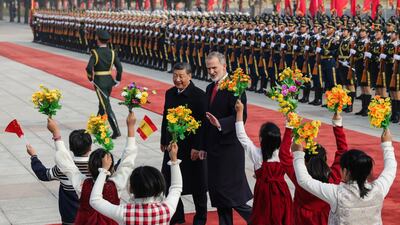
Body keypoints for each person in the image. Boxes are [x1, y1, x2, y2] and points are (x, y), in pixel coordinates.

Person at [292, 129, 397, 224]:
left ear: (345, 171)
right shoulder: (379, 189)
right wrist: (387, 145)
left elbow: (304, 180)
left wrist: (298, 154)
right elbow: (391, 168)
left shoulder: (337, 194)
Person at [51, 112, 138, 224]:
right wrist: (131, 127)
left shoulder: (83, 185)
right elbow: (127, 161)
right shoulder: (116, 185)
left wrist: (56, 134)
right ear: (111, 169)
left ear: (88, 167)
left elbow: (67, 164)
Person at [204, 51, 253, 225]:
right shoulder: (210, 88)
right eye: (209, 68)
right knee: (219, 195)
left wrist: (220, 124)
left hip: (229, 149)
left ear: (224, 66)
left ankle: (259, 219)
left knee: (232, 195)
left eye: (214, 68)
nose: (211, 71)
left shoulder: (236, 87)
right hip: (214, 149)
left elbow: (241, 116)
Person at [279, 112, 349, 225]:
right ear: (325, 159)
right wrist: (337, 125)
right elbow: (342, 151)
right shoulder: (333, 176)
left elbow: (284, 155)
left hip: (301, 219)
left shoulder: (299, 177)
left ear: (305, 160)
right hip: (325, 218)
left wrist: (289, 128)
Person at [160, 62, 208, 225]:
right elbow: (166, 118)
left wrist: (198, 146)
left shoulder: (199, 96)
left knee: (198, 185)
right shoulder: (170, 93)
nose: (177, 79)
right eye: (175, 75)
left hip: (191, 148)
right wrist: (163, 140)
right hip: (173, 147)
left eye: (181, 76)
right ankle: (177, 215)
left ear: (190, 76)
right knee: (168, 181)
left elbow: (203, 125)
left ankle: (200, 218)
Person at [89, 142, 183, 225]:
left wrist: (104, 170)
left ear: (131, 188)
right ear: (159, 186)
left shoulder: (124, 213)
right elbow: (176, 187)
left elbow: (95, 200)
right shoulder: (166, 210)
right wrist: (174, 159)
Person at [235, 99, 293, 225]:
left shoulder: (257, 154)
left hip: (263, 194)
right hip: (282, 193)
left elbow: (241, 135)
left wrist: (239, 112)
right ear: (278, 140)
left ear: (261, 138)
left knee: (263, 217)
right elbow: (289, 137)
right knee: (281, 216)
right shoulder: (283, 154)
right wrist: (290, 119)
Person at [26, 130, 92, 225]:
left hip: (69, 217)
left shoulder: (63, 168)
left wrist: (34, 157)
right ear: (90, 147)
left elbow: (44, 174)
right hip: (91, 217)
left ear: (71, 148)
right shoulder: (96, 166)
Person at [86, 29, 123, 139]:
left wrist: (90, 78)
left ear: (98, 39)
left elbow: (88, 68)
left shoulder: (95, 52)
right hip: (109, 80)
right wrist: (117, 80)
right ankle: (97, 127)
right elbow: (119, 68)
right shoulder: (112, 52)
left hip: (99, 82)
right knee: (102, 104)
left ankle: (116, 131)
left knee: (106, 106)